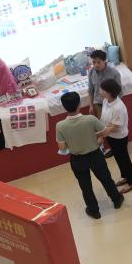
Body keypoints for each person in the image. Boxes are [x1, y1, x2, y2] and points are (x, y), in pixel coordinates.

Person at [55, 91, 123, 219]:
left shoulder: (60, 126)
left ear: (64, 107)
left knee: (85, 186)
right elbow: (105, 133)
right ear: (79, 104)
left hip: (77, 160)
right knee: (106, 179)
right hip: (95, 155)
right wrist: (96, 136)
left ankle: (94, 210)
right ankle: (117, 199)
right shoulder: (90, 119)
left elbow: (62, 148)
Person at [96, 78, 132, 193]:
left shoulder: (118, 107)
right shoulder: (106, 101)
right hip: (111, 136)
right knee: (119, 158)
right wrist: (102, 134)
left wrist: (101, 135)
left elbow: (115, 126)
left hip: (119, 137)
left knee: (124, 159)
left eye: (102, 90)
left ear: (109, 92)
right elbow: (103, 118)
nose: (100, 91)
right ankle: (125, 176)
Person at [87, 49, 121, 119]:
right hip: (98, 105)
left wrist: (114, 106)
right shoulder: (91, 72)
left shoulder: (114, 73)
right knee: (102, 124)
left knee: (113, 124)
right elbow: (90, 90)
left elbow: (119, 92)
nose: (96, 65)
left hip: (111, 105)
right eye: (94, 62)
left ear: (105, 60)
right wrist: (91, 105)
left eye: (98, 62)